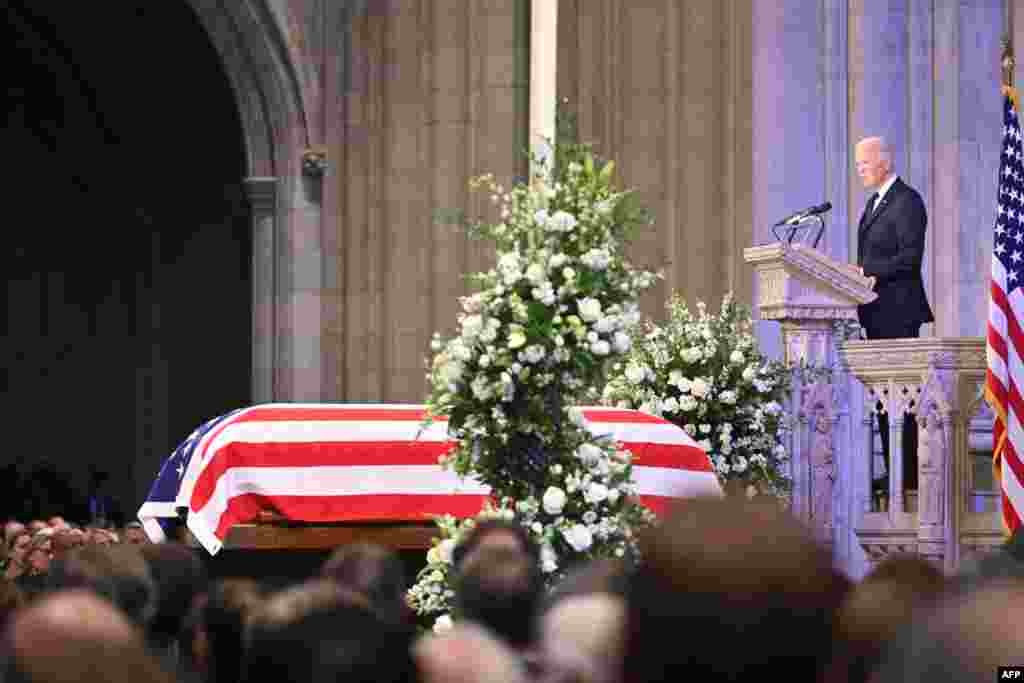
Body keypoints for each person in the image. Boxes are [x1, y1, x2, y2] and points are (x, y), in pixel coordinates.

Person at [854, 136, 933, 492]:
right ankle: (894, 470)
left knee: (901, 397)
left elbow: (910, 258)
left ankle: (909, 475)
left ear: (883, 162)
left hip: (899, 313)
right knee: (884, 400)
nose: (860, 170)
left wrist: (871, 272)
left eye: (864, 163)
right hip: (876, 313)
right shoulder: (874, 203)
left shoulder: (907, 201)